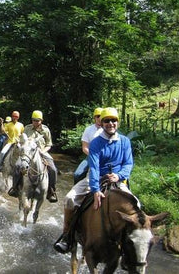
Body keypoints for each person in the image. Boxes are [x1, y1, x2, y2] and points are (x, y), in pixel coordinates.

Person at [54, 107, 137, 254]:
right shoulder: (96, 143)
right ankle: (67, 236)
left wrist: (119, 175)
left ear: (117, 122)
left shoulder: (124, 142)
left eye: (113, 120)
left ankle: (130, 242)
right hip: (96, 178)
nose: (110, 123)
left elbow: (128, 163)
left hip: (118, 180)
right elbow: (94, 167)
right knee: (69, 199)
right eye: (107, 121)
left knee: (137, 205)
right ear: (102, 123)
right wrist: (95, 189)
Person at [10, 110, 58, 202]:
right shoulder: (27, 128)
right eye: (34, 120)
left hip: (42, 152)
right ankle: (15, 188)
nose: (35, 122)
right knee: (17, 166)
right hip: (28, 153)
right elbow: (23, 140)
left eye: (37, 120)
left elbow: (49, 144)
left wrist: (43, 151)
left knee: (53, 169)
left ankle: (51, 191)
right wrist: (19, 142)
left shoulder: (46, 130)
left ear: (41, 120)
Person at [73, 107, 103, 184]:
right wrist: (93, 156)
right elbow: (85, 147)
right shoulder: (88, 129)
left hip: (105, 156)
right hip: (90, 156)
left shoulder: (107, 129)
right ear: (94, 117)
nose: (99, 118)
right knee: (77, 174)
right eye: (98, 116)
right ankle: (76, 193)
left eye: (101, 116)